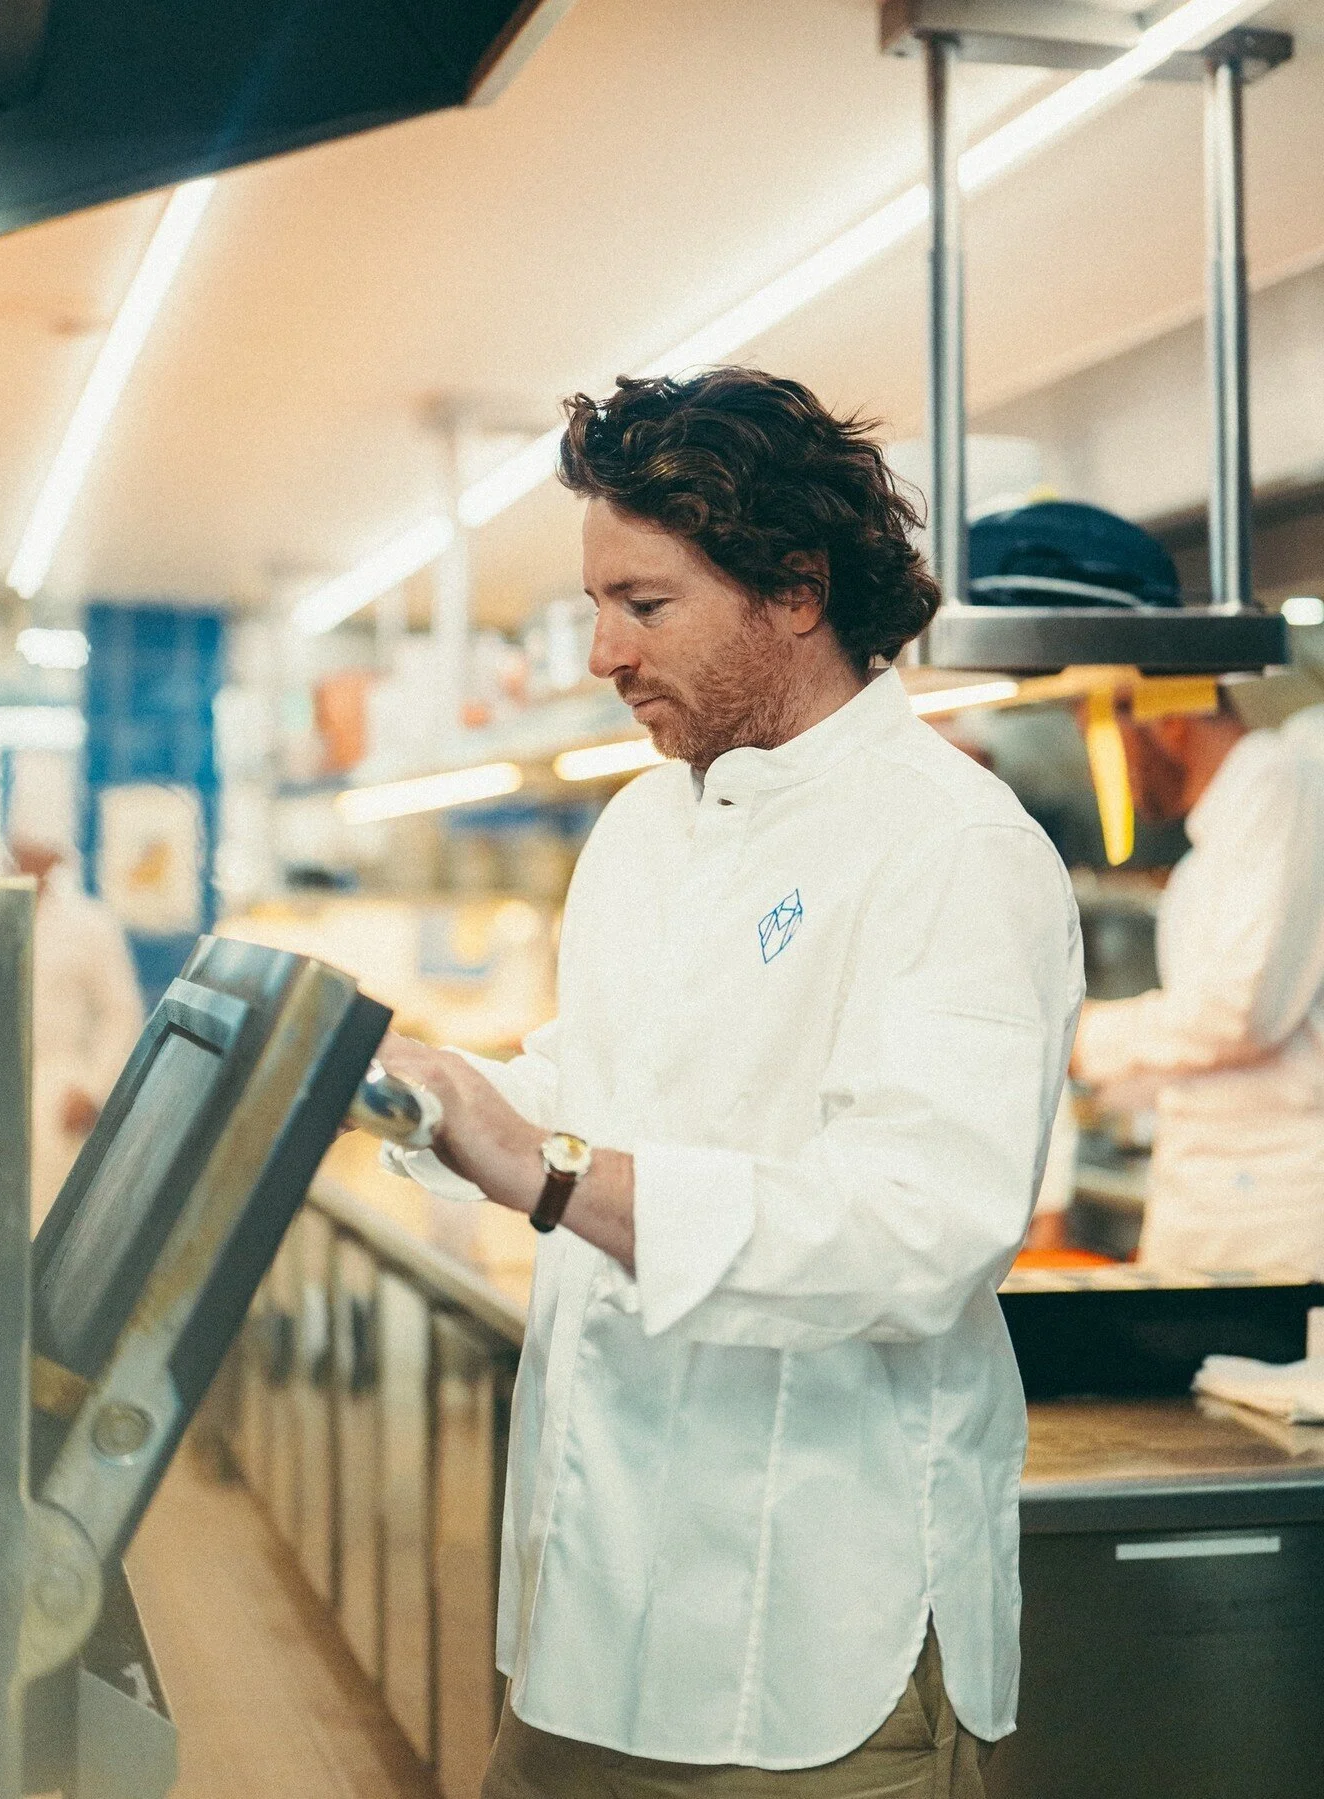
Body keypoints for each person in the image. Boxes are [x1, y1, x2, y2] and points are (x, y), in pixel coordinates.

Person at [379, 369, 1083, 1797]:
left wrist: (553, 1170)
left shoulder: (951, 845)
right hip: (589, 1605)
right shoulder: (648, 826)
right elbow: (603, 1071)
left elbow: (919, 1228)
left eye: (646, 606)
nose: (601, 653)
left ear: (798, 590)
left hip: (814, 1632)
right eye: (597, 606)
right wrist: (426, 1092)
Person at [1070, 693, 1324, 1276]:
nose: (1107, 774)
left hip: (1271, 1220)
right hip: (1224, 1208)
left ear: (1169, 719)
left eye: (1107, 745)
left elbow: (1240, 1015)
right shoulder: (1219, 837)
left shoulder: (1278, 786)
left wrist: (1084, 1039)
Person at [11, 828, 145, 1230]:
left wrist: (92, 1088)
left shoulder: (90, 923)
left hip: (60, 1094)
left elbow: (122, 1014)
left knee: (50, 1222)